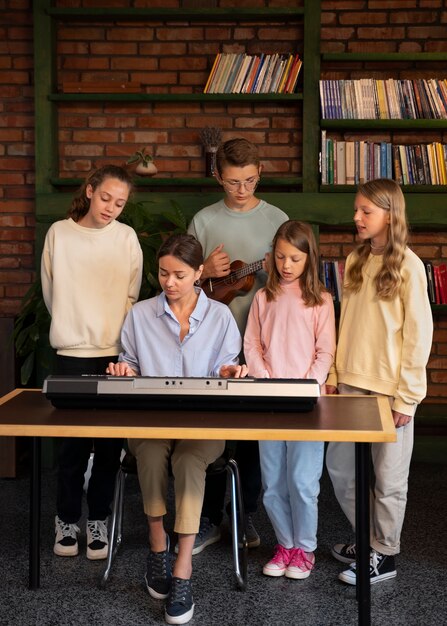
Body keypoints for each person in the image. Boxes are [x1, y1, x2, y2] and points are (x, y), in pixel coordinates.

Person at [107, 233, 247, 626]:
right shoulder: (140, 315)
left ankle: (182, 567)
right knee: (149, 452)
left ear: (200, 273)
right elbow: (129, 361)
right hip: (151, 422)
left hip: (204, 425)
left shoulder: (220, 317)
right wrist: (124, 369)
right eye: (163, 274)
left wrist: (229, 371)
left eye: (180, 275)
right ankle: (157, 546)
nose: (169, 283)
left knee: (188, 459)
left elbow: (227, 365)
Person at [325, 178, 433, 585]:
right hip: (349, 384)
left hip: (390, 393)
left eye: (365, 211)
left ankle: (384, 554)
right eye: (356, 210)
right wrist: (334, 375)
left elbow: (418, 335)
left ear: (390, 215)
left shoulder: (409, 265)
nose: (356, 217)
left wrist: (407, 398)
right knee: (340, 470)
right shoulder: (354, 261)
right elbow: (344, 324)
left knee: (389, 479)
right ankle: (366, 538)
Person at [187, 137, 288, 553]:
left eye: (248, 181)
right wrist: (203, 269)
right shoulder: (203, 220)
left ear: (259, 174)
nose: (242, 190)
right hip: (208, 347)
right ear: (217, 177)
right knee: (209, 433)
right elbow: (178, 279)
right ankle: (208, 518)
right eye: (232, 183)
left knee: (249, 435)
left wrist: (275, 271)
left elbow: (292, 279)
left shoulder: (278, 218)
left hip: (260, 344)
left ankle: (243, 516)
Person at [41, 164, 143, 560]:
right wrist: (74, 328)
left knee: (107, 446)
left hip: (114, 354)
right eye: (105, 198)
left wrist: (112, 340)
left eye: (120, 203)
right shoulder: (59, 234)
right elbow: (52, 293)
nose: (111, 208)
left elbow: (132, 297)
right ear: (89, 191)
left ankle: (98, 519)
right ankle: (66, 519)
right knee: (72, 447)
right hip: (70, 352)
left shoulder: (127, 238)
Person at [244, 220, 335, 579]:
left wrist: (305, 387)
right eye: (280, 257)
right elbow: (252, 344)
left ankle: (305, 548)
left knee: (302, 481)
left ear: (308, 259)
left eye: (295, 259)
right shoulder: (263, 298)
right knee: (273, 484)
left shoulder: (321, 300)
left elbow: (325, 352)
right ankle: (285, 545)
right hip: (268, 401)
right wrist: (265, 379)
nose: (286, 265)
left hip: (305, 405)